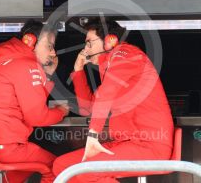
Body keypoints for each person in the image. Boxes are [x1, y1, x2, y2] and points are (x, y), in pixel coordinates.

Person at [53, 19, 174, 182]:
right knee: (61, 166)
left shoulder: (127, 54)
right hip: (126, 142)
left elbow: (106, 93)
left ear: (109, 40)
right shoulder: (109, 69)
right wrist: (78, 71)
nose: (85, 49)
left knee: (87, 173)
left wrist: (93, 134)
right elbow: (86, 108)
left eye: (89, 43)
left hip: (150, 145)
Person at [0, 19, 69, 183]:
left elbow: (32, 100)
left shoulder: (1, 62)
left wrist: (47, 74)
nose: (53, 53)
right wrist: (61, 111)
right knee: (60, 168)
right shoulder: (27, 65)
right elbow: (37, 117)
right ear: (31, 41)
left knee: (19, 173)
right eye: (49, 46)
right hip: (6, 148)